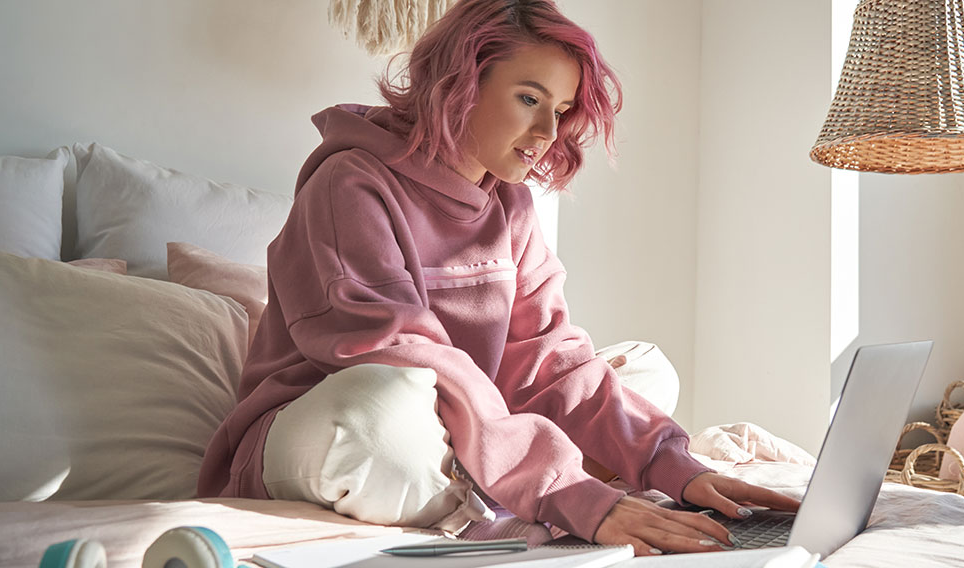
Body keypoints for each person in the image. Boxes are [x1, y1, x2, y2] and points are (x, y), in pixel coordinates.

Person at [197, 0, 799, 556]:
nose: (547, 135)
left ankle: (507, 485)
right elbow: (406, 356)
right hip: (320, 426)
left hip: (449, 422)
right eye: (529, 99)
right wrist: (572, 492)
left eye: (560, 112)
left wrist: (681, 469)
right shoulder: (350, 184)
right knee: (383, 417)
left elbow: (548, 357)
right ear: (460, 84)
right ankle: (499, 511)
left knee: (643, 370)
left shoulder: (509, 204)